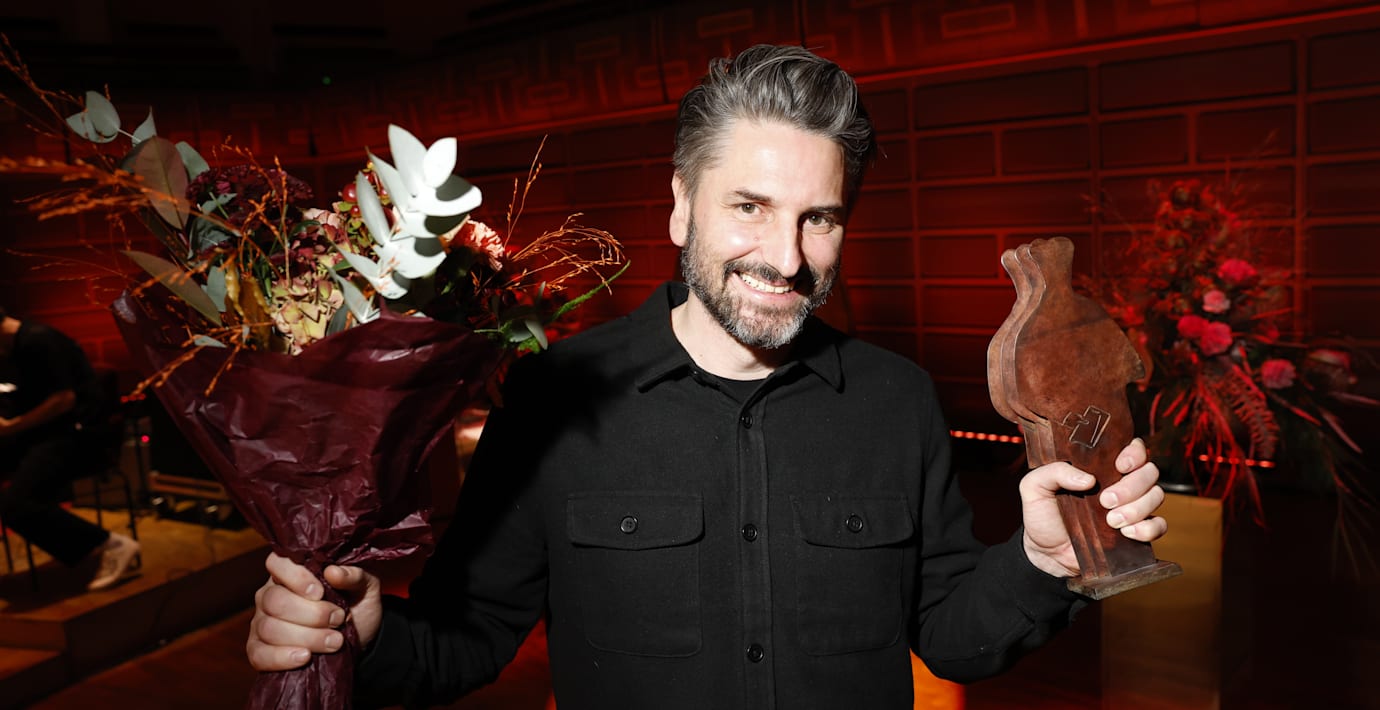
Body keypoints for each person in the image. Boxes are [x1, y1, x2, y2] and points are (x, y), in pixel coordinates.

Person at [247, 44, 1169, 708]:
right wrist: (362, 635)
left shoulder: (898, 400)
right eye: (750, 207)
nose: (787, 257)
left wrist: (1043, 564)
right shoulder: (553, 397)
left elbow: (955, 641)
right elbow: (468, 640)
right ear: (682, 207)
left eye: (819, 218)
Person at [0, 305, 141, 591]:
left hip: (82, 439)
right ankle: (79, 544)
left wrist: (12, 426)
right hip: (49, 437)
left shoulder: (39, 341)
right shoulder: (14, 347)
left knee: (16, 505)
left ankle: (111, 544)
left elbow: (63, 400)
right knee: (16, 497)